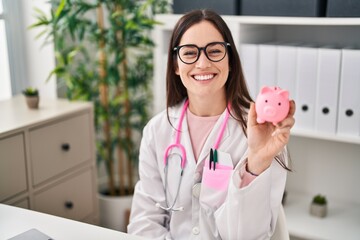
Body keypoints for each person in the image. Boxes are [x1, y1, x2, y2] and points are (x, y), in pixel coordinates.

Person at [128, 9, 296, 240]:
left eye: (214, 51)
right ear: (176, 65)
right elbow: (145, 223)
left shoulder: (263, 131)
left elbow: (250, 236)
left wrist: (256, 164)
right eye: (189, 53)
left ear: (230, 60)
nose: (203, 63)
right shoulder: (157, 132)